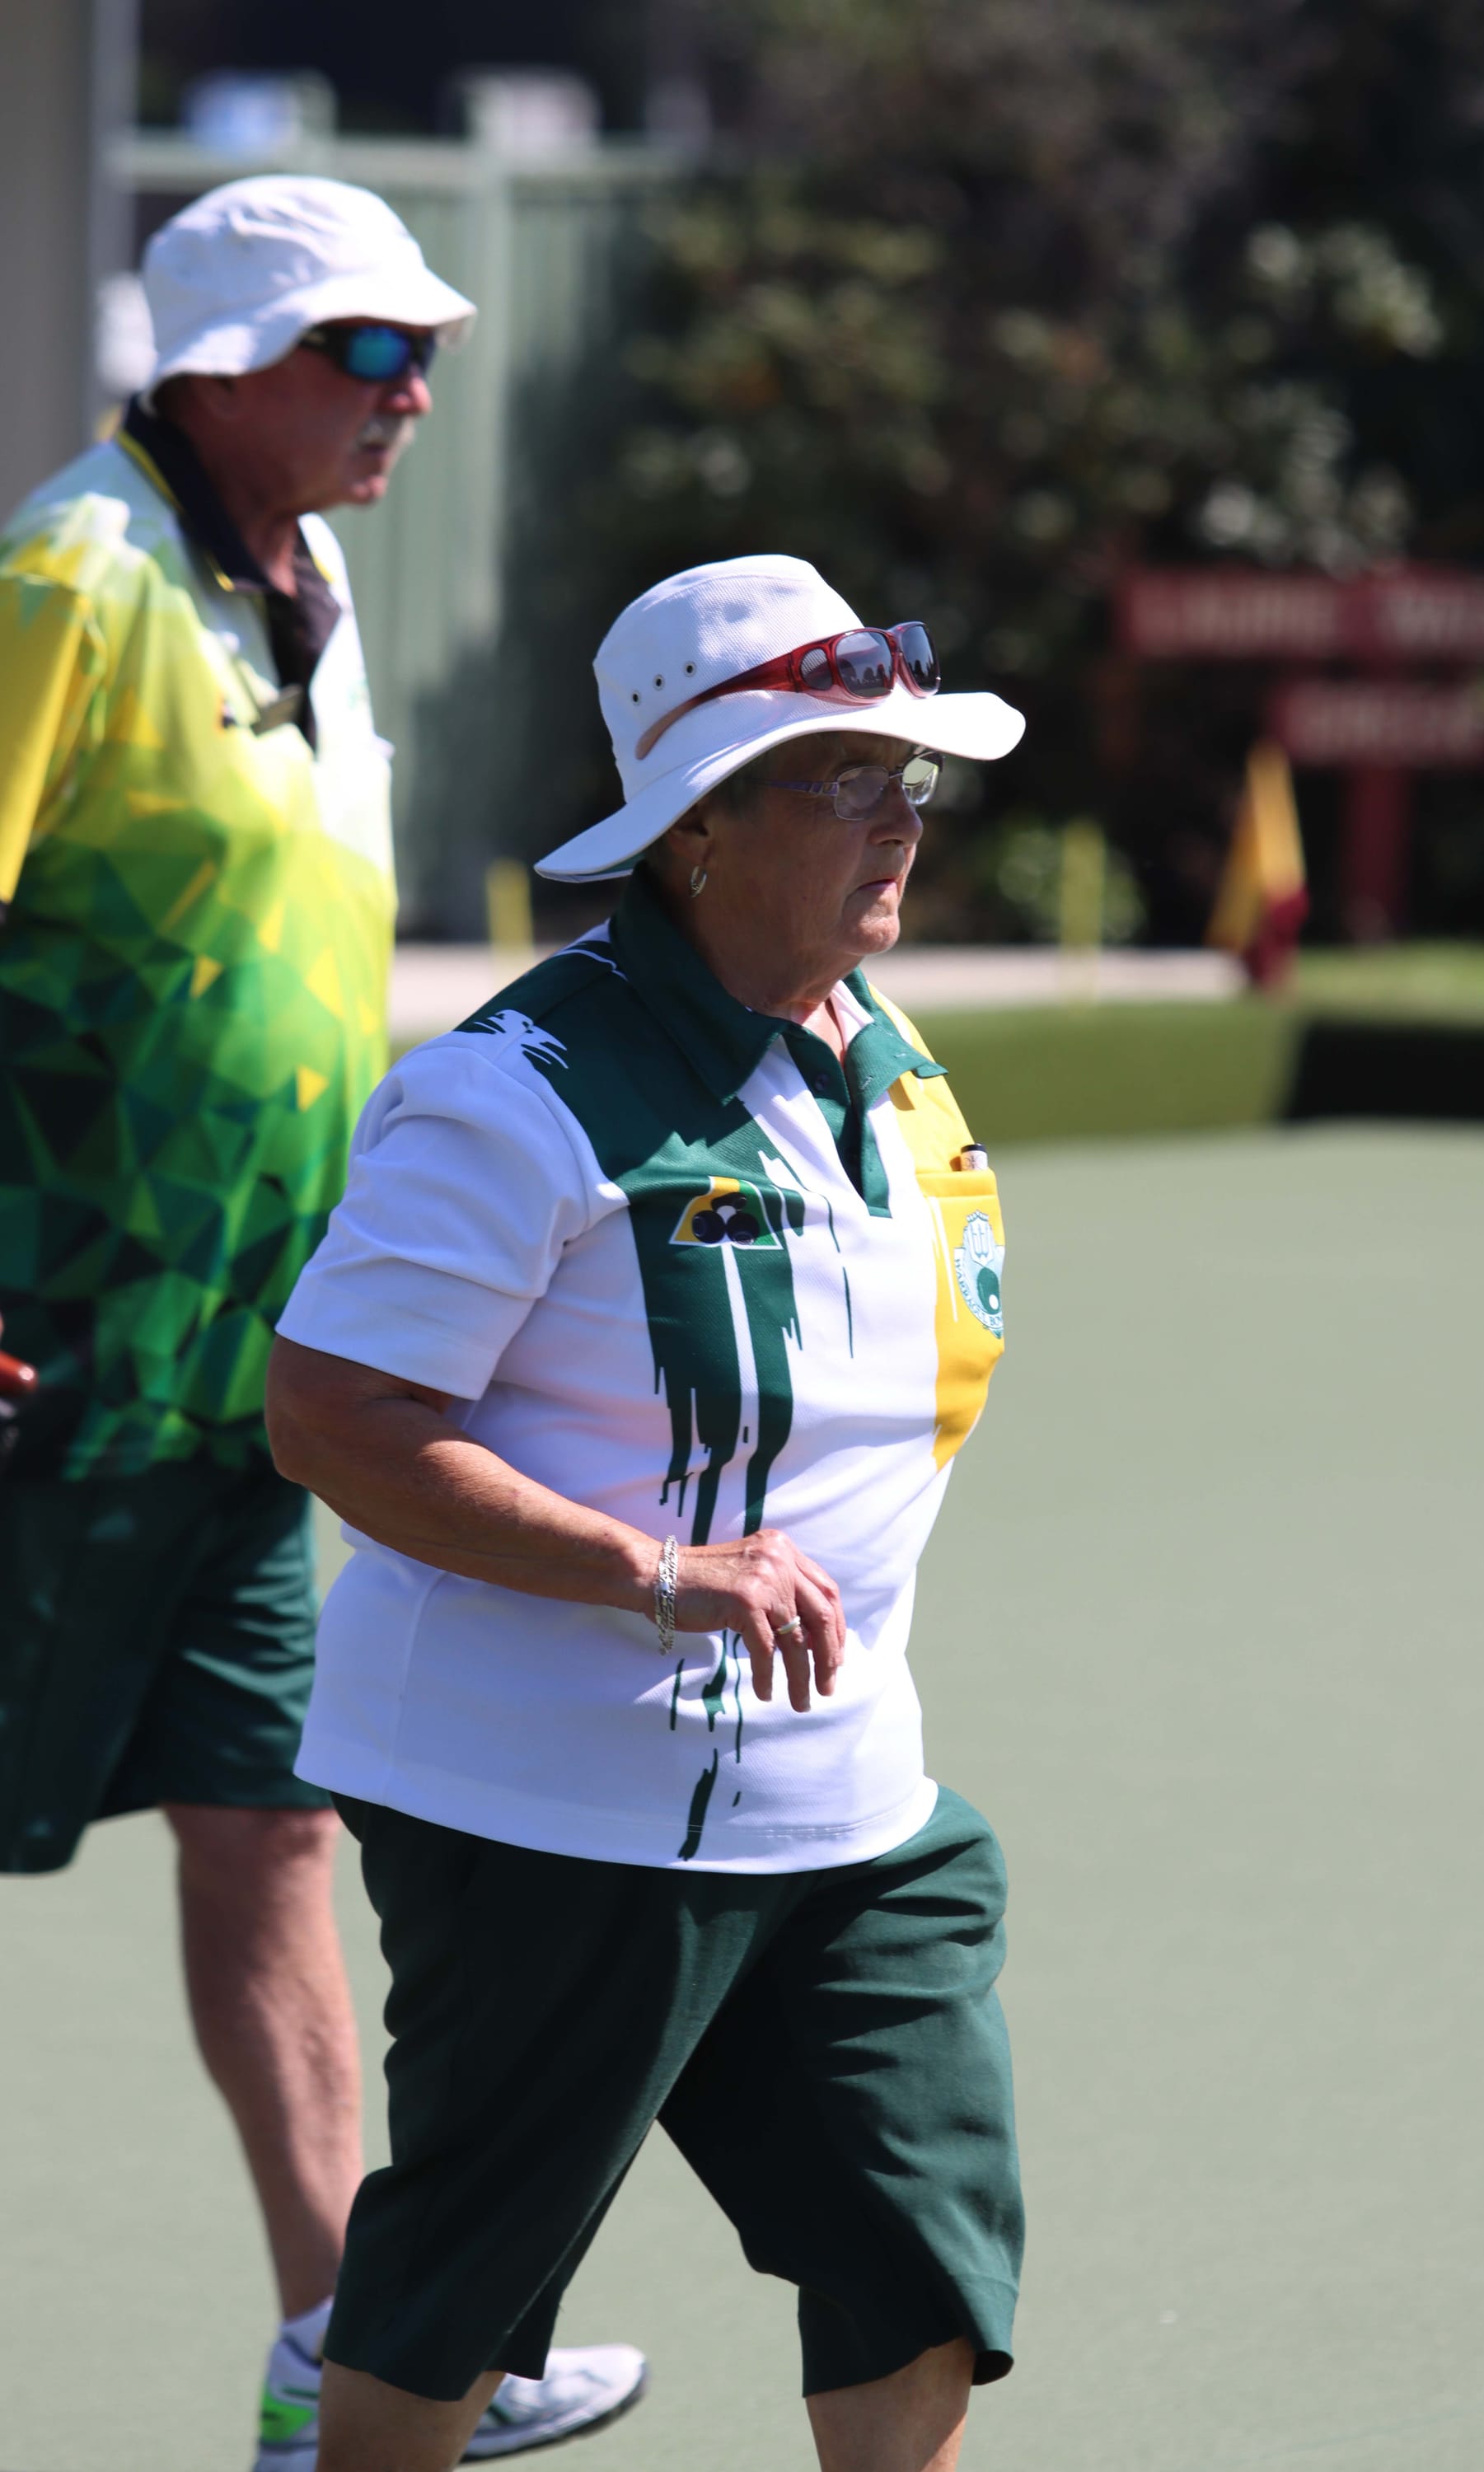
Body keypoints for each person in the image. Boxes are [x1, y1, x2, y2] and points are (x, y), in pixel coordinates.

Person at [0, 176, 644, 2466]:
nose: (420, 391)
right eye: (372, 351)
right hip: (46, 1359)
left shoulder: (315, 579)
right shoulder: (71, 573)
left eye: (423, 349)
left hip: (248, 1376)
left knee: (272, 1829)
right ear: (226, 365)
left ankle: (345, 2348)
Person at [264, 553, 1028, 2472]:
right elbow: (336, 1418)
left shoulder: (890, 1059)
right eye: (841, 779)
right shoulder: (513, 1092)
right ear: (696, 832)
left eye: (900, 779)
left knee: (916, 2268)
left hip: (854, 1811)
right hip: (548, 1812)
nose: (895, 823)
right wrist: (654, 1570)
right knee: (445, 2314)